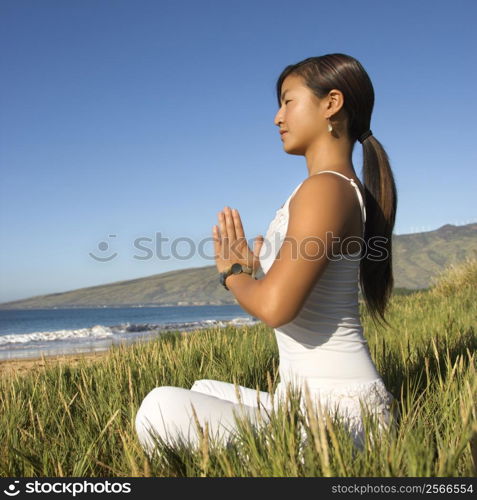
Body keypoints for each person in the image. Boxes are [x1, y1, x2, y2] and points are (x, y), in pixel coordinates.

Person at [135, 53, 399, 459]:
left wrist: (234, 273)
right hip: (312, 404)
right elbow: (293, 296)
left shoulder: (325, 189)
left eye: (288, 101)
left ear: (331, 103)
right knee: (202, 389)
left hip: (340, 420)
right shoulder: (330, 188)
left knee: (157, 407)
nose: (277, 117)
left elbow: (276, 308)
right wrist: (260, 271)